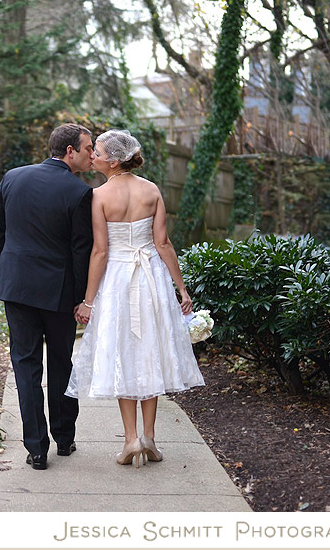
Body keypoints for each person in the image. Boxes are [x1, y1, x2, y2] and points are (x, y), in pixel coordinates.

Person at [65, 129, 204, 468]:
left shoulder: (98, 196)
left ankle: (130, 440)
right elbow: (164, 244)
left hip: (117, 282)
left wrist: (89, 301)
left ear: (113, 159)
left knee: (123, 354)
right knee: (149, 352)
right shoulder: (152, 190)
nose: (92, 155)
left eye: (96, 150)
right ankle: (150, 438)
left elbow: (100, 252)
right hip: (152, 279)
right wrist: (181, 289)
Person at [0, 123, 94, 470]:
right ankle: (64, 439)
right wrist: (82, 298)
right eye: (87, 148)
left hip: (16, 286)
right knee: (62, 363)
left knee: (25, 364)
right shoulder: (80, 193)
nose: (91, 155)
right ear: (70, 151)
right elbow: (82, 251)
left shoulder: (12, 177)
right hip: (58, 292)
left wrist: (1, 278)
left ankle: (36, 449)